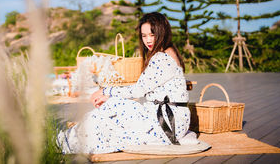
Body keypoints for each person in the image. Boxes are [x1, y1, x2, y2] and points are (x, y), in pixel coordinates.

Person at [57, 12, 190, 154]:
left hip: (167, 123)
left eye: (152, 34)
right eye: (144, 36)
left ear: (162, 32)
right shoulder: (169, 51)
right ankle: (69, 139)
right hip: (171, 118)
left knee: (111, 114)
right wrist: (111, 96)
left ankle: (67, 141)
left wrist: (105, 91)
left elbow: (138, 90)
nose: (148, 40)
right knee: (113, 108)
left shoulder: (162, 58)